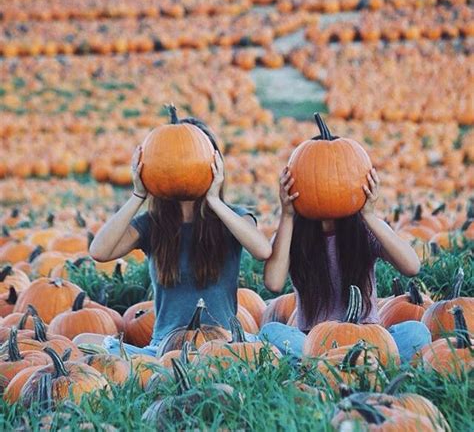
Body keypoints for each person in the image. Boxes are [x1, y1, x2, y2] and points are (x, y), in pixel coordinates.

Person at [74, 113, 272, 356]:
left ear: (214, 164)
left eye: (191, 156)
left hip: (222, 344)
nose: (182, 166)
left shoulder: (232, 218)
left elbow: (262, 251)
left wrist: (214, 200)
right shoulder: (152, 225)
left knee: (273, 336)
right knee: (83, 339)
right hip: (166, 349)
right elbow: (99, 252)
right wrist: (138, 195)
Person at [259, 166, 431, 363]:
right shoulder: (293, 232)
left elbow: (411, 266)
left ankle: (333, 365)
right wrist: (287, 215)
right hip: (314, 341)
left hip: (367, 338)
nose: (325, 189)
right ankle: (361, 365)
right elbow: (273, 283)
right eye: (316, 182)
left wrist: (369, 215)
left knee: (416, 332)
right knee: (270, 332)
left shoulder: (364, 228)